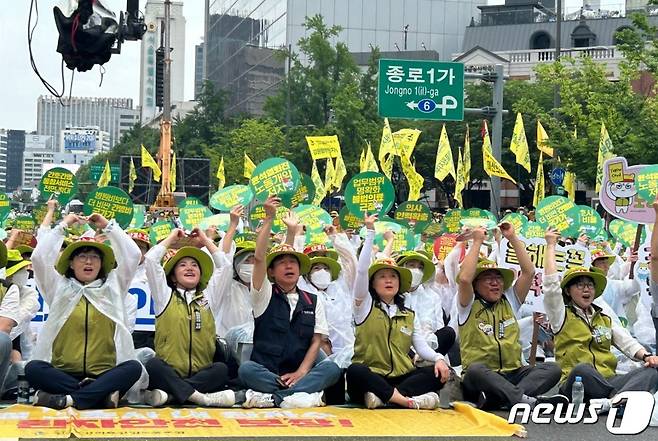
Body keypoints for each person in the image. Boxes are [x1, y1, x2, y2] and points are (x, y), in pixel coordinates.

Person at [26, 213, 143, 410]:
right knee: (33, 368)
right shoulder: (57, 287)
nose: (89, 262)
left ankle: (69, 399)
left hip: (104, 372)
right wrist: (64, 225)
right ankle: (99, 395)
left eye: (94, 257)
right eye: (82, 256)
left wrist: (108, 225)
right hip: (63, 373)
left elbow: (133, 255)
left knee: (133, 368)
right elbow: (38, 258)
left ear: (102, 263)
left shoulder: (114, 286)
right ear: (70, 263)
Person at [238, 195, 341, 409]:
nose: (289, 266)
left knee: (332, 369)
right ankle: (298, 398)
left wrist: (301, 373)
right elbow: (259, 259)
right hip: (267, 372)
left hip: (299, 373)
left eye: (293, 262)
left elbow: (316, 340)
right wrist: (269, 219)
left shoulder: (312, 300)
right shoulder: (263, 294)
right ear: (272, 272)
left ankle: (276, 398)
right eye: (282, 263)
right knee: (246, 370)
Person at [543, 227, 658, 408]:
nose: (586, 289)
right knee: (582, 369)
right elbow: (550, 286)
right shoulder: (561, 315)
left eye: (590, 285)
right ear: (567, 291)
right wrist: (551, 246)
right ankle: (619, 400)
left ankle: (613, 401)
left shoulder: (604, 317)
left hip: (608, 381)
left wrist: (647, 357)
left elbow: (626, 342)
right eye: (580, 285)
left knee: (652, 371)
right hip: (577, 383)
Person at [346, 213, 450, 410]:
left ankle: (383, 398)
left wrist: (438, 359)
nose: (388, 280)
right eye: (382, 276)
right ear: (372, 283)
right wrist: (370, 232)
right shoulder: (364, 306)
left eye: (393, 277)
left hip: (400, 376)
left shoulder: (409, 314)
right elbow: (361, 272)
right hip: (372, 375)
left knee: (437, 374)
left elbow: (421, 347)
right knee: (355, 371)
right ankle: (405, 400)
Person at [457, 223, 564, 410]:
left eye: (498, 279)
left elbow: (529, 272)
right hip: (483, 376)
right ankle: (520, 398)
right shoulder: (467, 304)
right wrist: (477, 241)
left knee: (552, 369)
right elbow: (465, 278)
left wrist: (512, 237)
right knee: (475, 370)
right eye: (488, 279)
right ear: (476, 284)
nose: (495, 283)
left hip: (513, 373)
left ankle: (506, 398)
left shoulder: (509, 300)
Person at [142, 227, 235, 407]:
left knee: (221, 369)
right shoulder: (164, 296)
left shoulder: (209, 298)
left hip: (201, 374)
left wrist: (206, 240)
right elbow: (151, 261)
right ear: (173, 277)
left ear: (201, 275)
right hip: (170, 373)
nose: (190, 268)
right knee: (154, 365)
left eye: (194, 265)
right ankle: (201, 398)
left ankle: (172, 395)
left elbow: (225, 267)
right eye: (182, 265)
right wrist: (171, 237)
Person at [396, 250, 455, 357]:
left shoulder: (433, 297)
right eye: (411, 266)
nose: (416, 271)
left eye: (420, 268)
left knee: (448, 333)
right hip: (401, 350)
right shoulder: (393, 295)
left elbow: (439, 328)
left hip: (429, 349)